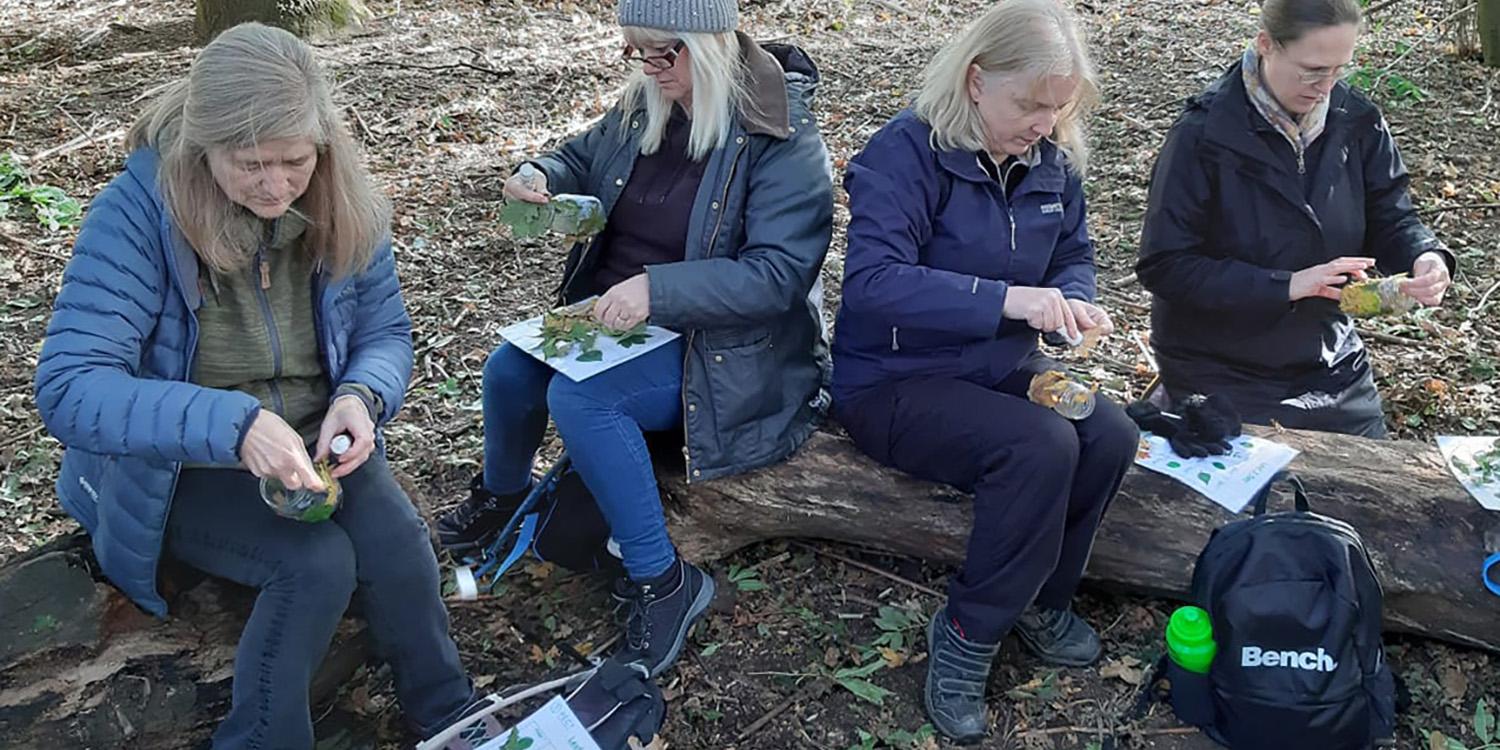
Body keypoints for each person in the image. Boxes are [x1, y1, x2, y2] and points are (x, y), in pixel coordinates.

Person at [34, 24, 499, 750]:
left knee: (401, 544)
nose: (276, 186)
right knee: (315, 565)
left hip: (313, 441)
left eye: (293, 162)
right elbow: (69, 387)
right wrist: (232, 425)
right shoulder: (137, 217)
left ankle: (451, 719)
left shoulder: (342, 200)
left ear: (322, 147)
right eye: (250, 164)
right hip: (179, 464)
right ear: (201, 147)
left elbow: (385, 334)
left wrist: (361, 397)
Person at [435, 0, 834, 679]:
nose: (647, 68)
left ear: (710, 44)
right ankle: (501, 499)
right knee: (508, 370)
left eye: (662, 52)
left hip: (727, 349)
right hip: (621, 319)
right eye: (635, 52)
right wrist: (542, 175)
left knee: (584, 400)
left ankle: (663, 581)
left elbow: (778, 276)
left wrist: (659, 289)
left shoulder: (779, 131)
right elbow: (580, 158)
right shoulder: (647, 102)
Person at [828, 0, 1137, 742]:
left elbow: (1073, 255)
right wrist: (1008, 299)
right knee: (1038, 447)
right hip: (894, 380)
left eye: (1059, 107)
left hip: (1002, 364)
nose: (1045, 121)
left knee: (1110, 433)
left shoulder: (1050, 161)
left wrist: (1073, 305)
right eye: (1030, 103)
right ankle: (969, 631)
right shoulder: (905, 153)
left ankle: (1040, 598)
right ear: (975, 80)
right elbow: (872, 282)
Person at [1136, 0, 1454, 438]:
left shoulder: (1357, 121)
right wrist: (1286, 285)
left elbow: (1391, 215)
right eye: (1312, 70)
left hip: (1330, 357)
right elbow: (1165, 265)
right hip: (1220, 360)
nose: (1325, 87)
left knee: (1370, 488)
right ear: (1266, 45)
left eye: (1338, 69)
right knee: (1269, 490)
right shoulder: (1203, 134)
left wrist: (1426, 255)